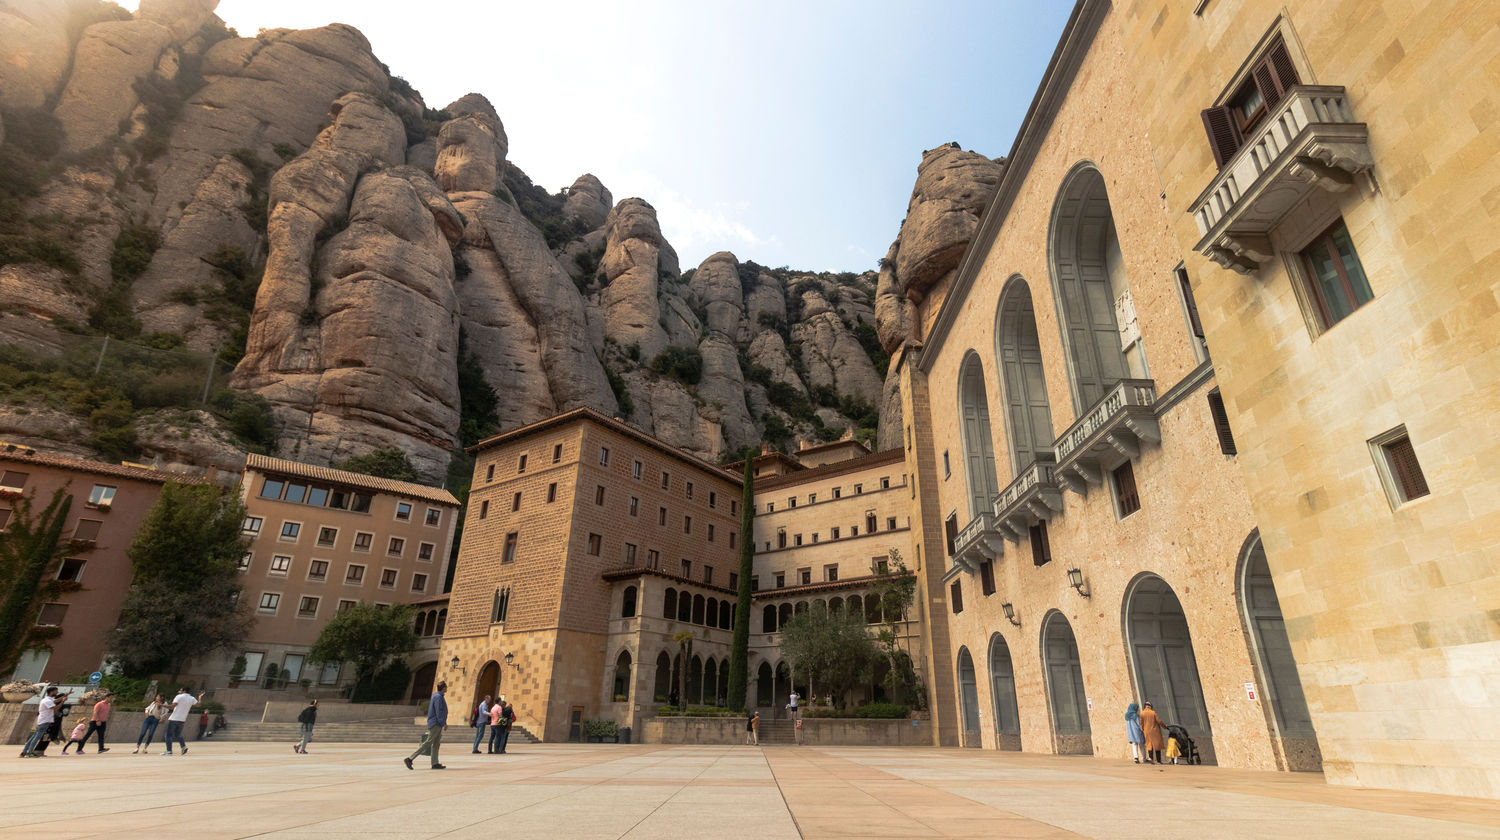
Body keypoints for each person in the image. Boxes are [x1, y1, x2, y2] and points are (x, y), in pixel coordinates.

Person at [405, 680, 448, 770]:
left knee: (436, 744)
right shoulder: (438, 697)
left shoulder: (439, 696)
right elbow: (438, 711)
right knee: (429, 742)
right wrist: (443, 723)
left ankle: (435, 763)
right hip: (436, 723)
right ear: (443, 688)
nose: (447, 688)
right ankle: (410, 758)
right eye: (446, 687)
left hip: (438, 723)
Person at [20, 686, 68, 757]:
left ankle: (24, 752)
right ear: (51, 692)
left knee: (33, 737)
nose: (57, 692)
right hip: (44, 721)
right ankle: (30, 753)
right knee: (36, 738)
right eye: (56, 691)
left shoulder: (48, 699)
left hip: (43, 721)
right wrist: (63, 701)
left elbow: (56, 700)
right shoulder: (47, 701)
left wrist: (65, 695)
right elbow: (56, 708)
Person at [164, 687, 203, 755]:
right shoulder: (192, 698)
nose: (179, 691)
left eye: (180, 690)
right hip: (182, 720)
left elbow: (172, 706)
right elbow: (199, 705)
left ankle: (169, 751)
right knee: (177, 735)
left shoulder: (179, 697)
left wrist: (162, 705)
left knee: (168, 735)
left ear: (184, 691)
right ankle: (183, 746)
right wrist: (199, 697)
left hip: (174, 718)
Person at [1139, 701, 1167, 765]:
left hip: (1147, 731)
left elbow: (1141, 723)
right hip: (1155, 732)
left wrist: (1144, 729)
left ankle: (1151, 760)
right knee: (1157, 746)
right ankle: (1158, 761)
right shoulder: (1153, 713)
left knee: (1149, 746)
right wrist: (1165, 727)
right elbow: (1159, 721)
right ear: (1150, 706)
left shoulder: (1142, 713)